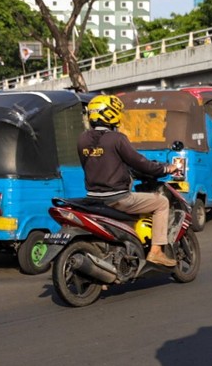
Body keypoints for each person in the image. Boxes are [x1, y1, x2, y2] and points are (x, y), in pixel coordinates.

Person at [77, 94, 181, 267]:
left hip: (93, 198)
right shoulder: (117, 138)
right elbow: (141, 163)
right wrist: (165, 168)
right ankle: (156, 252)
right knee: (162, 203)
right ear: (112, 114)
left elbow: (92, 164)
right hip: (118, 198)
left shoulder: (82, 139)